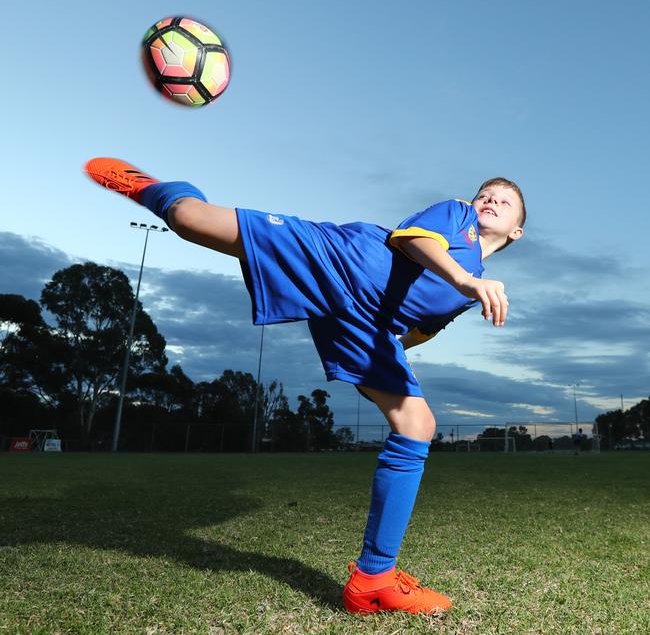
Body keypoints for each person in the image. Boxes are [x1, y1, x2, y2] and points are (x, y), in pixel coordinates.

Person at [84, 157, 526, 615]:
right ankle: (148, 186)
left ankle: (374, 579)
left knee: (417, 423)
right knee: (189, 219)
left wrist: (385, 363)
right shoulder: (457, 217)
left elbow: (420, 328)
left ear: (516, 231)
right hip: (337, 256)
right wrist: (466, 279)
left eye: (505, 200)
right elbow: (412, 240)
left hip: (364, 323)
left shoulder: (476, 287)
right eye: (485, 193)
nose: (490, 199)